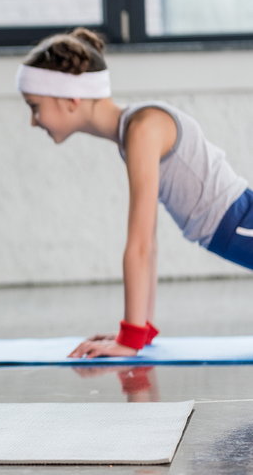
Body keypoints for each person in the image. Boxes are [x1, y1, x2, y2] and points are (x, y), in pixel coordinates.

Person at [15, 28, 252, 358]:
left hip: (242, 224)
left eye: (34, 106)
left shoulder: (143, 128)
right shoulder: (134, 129)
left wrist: (129, 338)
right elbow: (149, 247)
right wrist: (138, 329)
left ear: (70, 99)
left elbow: (140, 244)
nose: (33, 121)